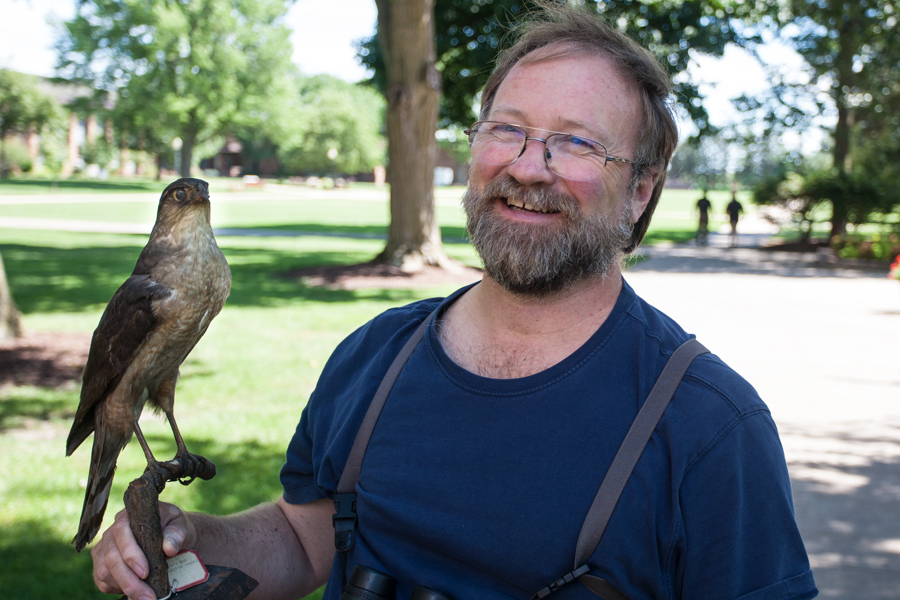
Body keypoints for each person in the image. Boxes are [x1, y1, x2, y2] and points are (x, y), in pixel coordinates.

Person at [90, 4, 817, 600]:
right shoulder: (374, 357)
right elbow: (303, 536)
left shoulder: (712, 429)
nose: (529, 166)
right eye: (508, 129)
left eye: (579, 143)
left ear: (641, 191)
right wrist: (199, 539)